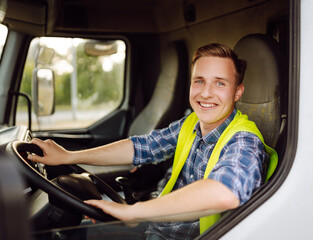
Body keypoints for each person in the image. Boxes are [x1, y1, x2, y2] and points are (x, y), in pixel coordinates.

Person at [29, 43, 275, 240]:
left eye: (219, 83)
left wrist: (134, 212)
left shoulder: (244, 141)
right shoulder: (190, 122)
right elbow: (142, 147)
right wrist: (70, 156)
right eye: (199, 81)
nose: (206, 93)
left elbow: (226, 192)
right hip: (154, 226)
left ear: (238, 92)